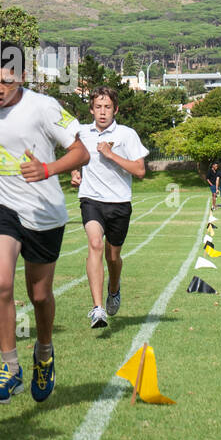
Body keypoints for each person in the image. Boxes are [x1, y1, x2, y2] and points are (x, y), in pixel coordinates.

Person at [0, 41, 89, 405]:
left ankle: (44, 354)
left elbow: (81, 152)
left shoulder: (44, 108)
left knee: (40, 295)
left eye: (7, 81)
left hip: (44, 214)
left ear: (23, 76)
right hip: (1, 210)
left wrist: (47, 168)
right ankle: (9, 366)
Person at [70, 86, 148, 328]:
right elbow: (75, 155)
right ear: (91, 109)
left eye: (107, 107)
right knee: (95, 244)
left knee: (113, 257)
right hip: (91, 200)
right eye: (98, 107)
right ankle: (97, 309)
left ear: (116, 109)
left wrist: (111, 154)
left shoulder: (127, 134)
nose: (102, 112)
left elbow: (140, 171)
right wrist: (74, 171)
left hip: (119, 203)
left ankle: (114, 289)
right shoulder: (82, 133)